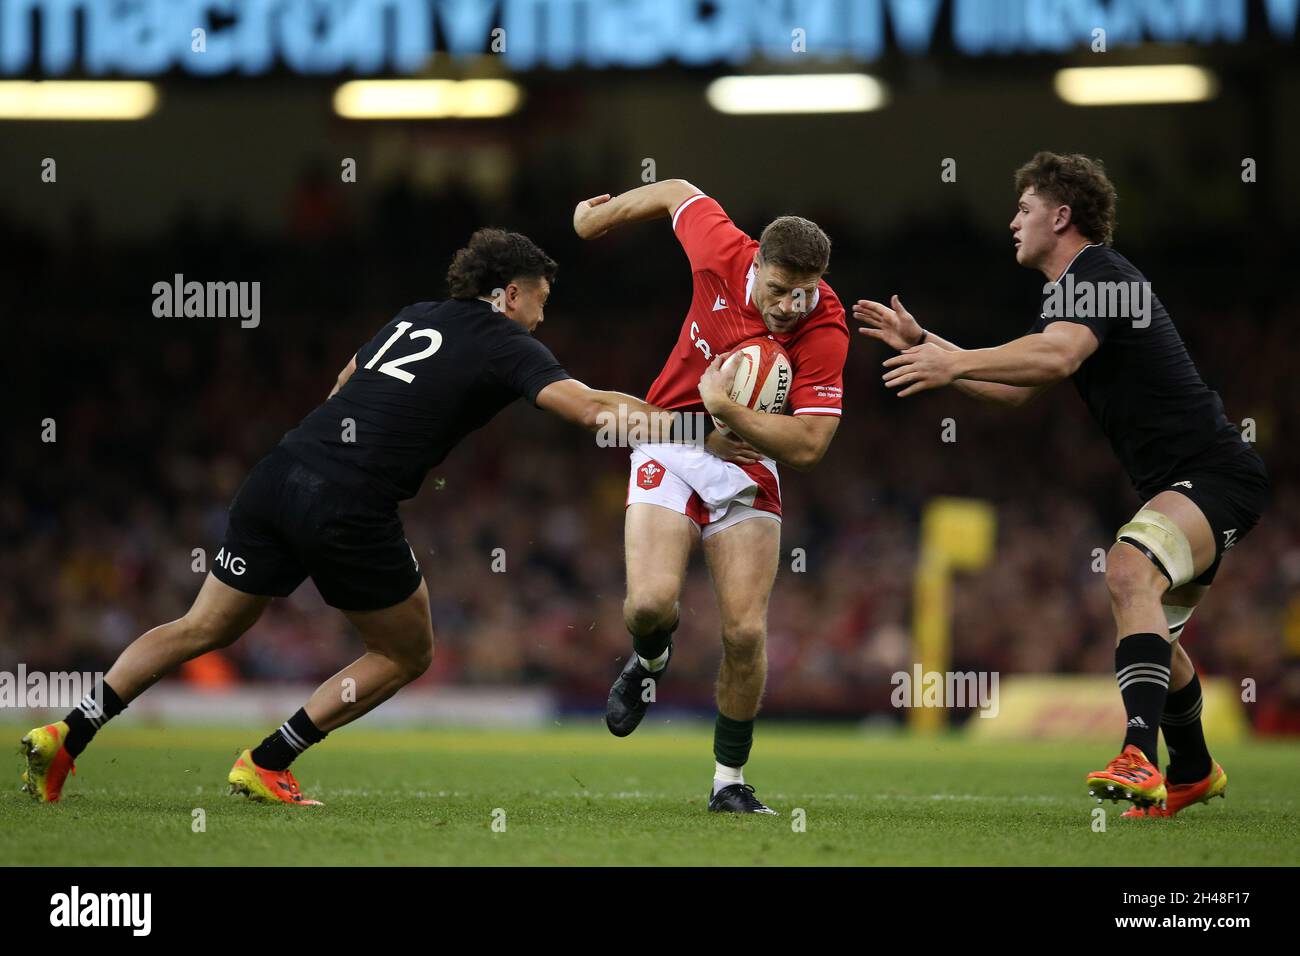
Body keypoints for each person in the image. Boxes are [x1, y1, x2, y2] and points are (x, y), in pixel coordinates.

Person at [22, 227, 674, 806]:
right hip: (348, 500)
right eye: (539, 301)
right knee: (405, 651)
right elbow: (589, 409)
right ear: (508, 294)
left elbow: (343, 381)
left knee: (201, 625)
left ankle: (68, 732)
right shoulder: (504, 339)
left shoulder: (415, 316)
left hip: (281, 470)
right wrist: (686, 429)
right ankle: (267, 761)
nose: (539, 319)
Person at [855, 152, 1268, 816]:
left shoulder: (1100, 274)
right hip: (1189, 480)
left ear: (1061, 214)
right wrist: (927, 345)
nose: (1013, 221)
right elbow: (1021, 389)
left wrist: (952, 358)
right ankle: (1192, 770)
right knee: (1155, 628)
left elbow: (1056, 355)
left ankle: (1139, 755)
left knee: (1129, 569)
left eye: (1023, 208)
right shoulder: (1075, 289)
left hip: (1215, 475)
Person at [574, 180, 849, 813]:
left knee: (746, 634)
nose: (787, 305)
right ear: (755, 265)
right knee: (647, 606)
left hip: (749, 464)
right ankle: (651, 658)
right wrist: (603, 217)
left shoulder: (825, 328)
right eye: (777, 288)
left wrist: (726, 410)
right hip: (669, 439)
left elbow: (808, 447)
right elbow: (676, 192)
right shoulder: (721, 250)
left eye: (801, 292)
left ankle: (729, 782)